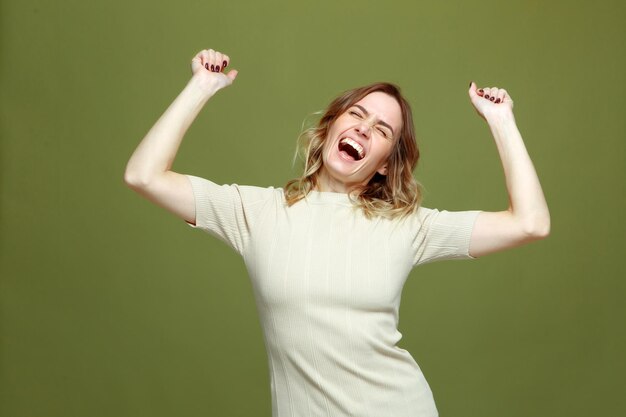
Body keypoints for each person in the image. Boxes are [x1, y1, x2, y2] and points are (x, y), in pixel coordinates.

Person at [124, 48, 550, 417]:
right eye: (357, 115)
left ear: (385, 162)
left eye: (382, 130)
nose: (364, 129)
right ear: (330, 129)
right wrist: (201, 87)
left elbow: (530, 222)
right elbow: (144, 175)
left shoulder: (408, 225)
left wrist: (501, 119)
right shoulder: (255, 211)